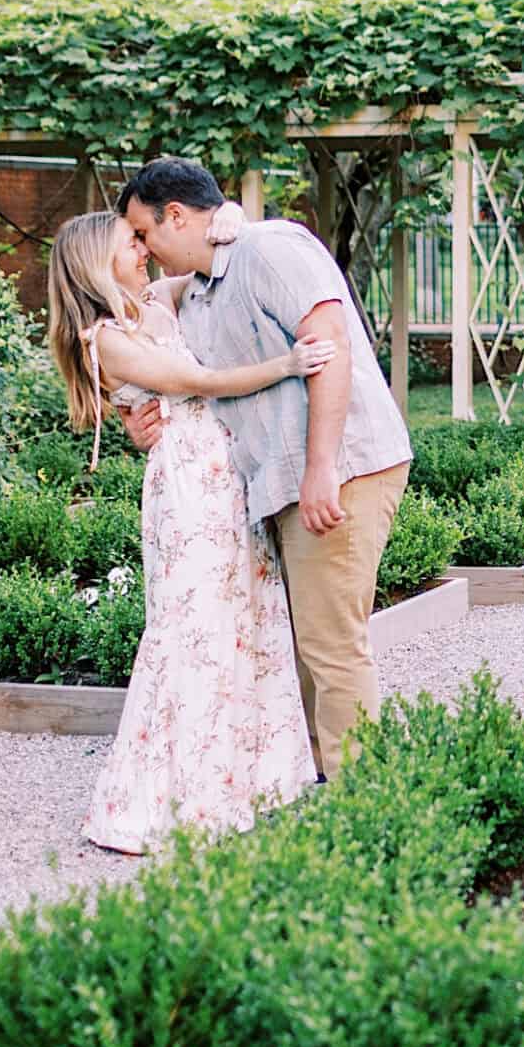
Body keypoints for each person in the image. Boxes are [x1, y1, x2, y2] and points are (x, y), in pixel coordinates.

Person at [45, 209, 335, 852]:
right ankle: (182, 801)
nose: (145, 249)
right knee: (195, 629)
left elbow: (201, 264)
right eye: (132, 243)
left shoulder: (148, 303)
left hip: (226, 476)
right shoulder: (105, 338)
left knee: (247, 621)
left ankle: (251, 786)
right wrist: (287, 363)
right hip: (188, 487)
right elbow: (197, 381)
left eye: (144, 237)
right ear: (100, 259)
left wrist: (231, 220)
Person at [115, 157, 414, 780]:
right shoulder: (197, 289)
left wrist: (320, 470)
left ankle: (360, 797)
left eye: (144, 233)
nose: (143, 248)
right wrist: (137, 417)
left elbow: (328, 350)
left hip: (341, 467)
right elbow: (161, 356)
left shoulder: (269, 249)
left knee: (331, 646)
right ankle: (311, 779)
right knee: (299, 644)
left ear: (176, 216)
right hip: (276, 482)